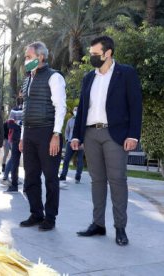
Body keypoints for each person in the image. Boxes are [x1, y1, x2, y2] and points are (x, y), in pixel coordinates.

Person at [72, 36, 142, 246]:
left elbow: (135, 105)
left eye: (95, 54)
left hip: (116, 135)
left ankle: (120, 228)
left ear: (108, 53)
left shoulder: (126, 73)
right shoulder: (88, 78)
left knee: (118, 181)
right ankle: (98, 224)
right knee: (97, 181)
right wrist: (76, 134)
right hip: (91, 134)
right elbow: (83, 108)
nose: (92, 57)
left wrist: (133, 135)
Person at [19, 41, 67, 231]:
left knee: (50, 178)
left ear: (41, 57)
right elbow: (25, 109)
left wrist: (56, 134)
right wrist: (23, 136)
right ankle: (36, 213)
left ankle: (50, 218)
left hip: (47, 132)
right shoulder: (27, 79)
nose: (26, 60)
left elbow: (60, 107)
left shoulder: (54, 77)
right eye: (26, 57)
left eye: (29, 56)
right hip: (29, 132)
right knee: (30, 176)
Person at [59, 106, 84, 184]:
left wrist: (83, 143)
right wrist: (67, 140)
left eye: (77, 109)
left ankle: (78, 177)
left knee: (80, 161)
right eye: (75, 109)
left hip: (80, 144)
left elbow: (85, 132)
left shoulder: (83, 121)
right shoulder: (70, 120)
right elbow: (66, 131)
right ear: (73, 111)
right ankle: (63, 176)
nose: (76, 111)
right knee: (66, 160)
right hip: (70, 143)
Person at [4, 98, 23, 193]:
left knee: (30, 164)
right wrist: (21, 127)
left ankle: (29, 187)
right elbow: (10, 124)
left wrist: (18, 123)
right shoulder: (14, 110)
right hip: (16, 140)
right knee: (15, 162)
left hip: (28, 140)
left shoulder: (32, 109)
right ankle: (14, 185)